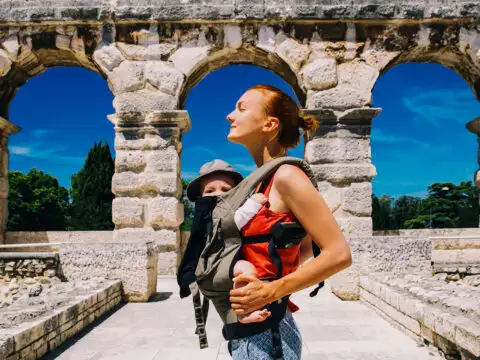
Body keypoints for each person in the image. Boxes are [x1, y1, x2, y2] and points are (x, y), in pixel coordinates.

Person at [225, 84, 352, 359]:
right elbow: (302, 249)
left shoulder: (286, 176)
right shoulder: (262, 182)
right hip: (261, 325)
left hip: (267, 332)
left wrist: (270, 290)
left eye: (241, 108)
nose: (229, 116)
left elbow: (339, 253)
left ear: (270, 124)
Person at [177, 160, 272, 325]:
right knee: (245, 269)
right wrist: (253, 203)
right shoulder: (206, 213)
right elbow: (233, 222)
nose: (217, 194)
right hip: (217, 263)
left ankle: (238, 316)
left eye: (226, 190)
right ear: (201, 196)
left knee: (225, 305)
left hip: (219, 267)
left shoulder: (205, 213)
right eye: (210, 190)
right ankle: (246, 309)